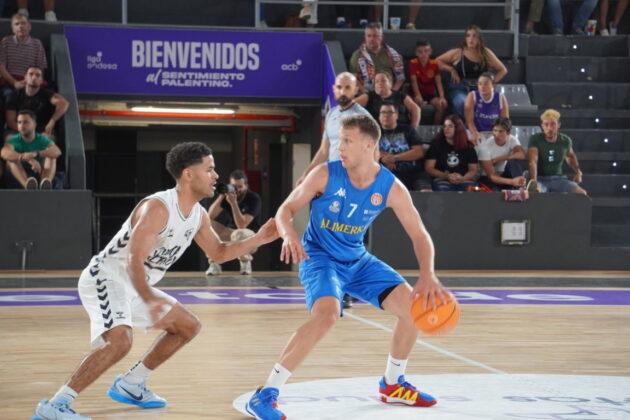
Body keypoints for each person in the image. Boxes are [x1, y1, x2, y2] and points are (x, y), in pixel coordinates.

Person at [30, 142, 278, 420]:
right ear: (188, 174)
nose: (215, 176)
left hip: (136, 284)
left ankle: (131, 384)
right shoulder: (158, 207)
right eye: (209, 169)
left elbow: (218, 252)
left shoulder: (197, 215)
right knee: (120, 342)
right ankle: (56, 405)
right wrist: (149, 299)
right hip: (108, 275)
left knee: (187, 325)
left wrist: (261, 238)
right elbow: (133, 260)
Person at [245, 114, 452, 420]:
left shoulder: (390, 186)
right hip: (320, 257)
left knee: (413, 308)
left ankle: (393, 384)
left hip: (357, 259)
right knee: (327, 316)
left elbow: (420, 234)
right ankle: (265, 393)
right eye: (340, 140)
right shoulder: (324, 174)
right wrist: (288, 233)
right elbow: (285, 209)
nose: (339, 147)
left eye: (347, 141)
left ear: (370, 145)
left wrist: (428, 274)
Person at [296, 72, 371, 186]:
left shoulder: (362, 116)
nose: (343, 92)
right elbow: (324, 151)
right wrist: (306, 175)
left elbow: (372, 151)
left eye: (347, 88)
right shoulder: (331, 114)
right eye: (339, 87)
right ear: (334, 88)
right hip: (334, 179)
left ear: (355, 90)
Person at [436, 25, 507, 119]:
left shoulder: (485, 52)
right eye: (468, 35)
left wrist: (490, 82)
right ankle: (468, 129)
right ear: (465, 38)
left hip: (480, 89)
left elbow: (503, 70)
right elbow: (436, 61)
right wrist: (451, 69)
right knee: (463, 103)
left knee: (484, 105)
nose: (471, 39)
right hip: (459, 88)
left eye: (474, 36)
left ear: (479, 39)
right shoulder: (458, 52)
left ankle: (478, 129)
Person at [206, 169, 262, 276]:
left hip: (250, 236)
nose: (237, 190)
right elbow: (209, 216)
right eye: (234, 186)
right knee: (207, 225)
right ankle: (214, 263)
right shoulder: (228, 196)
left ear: (246, 186)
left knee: (238, 233)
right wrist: (222, 196)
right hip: (230, 233)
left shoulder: (253, 198)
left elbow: (242, 225)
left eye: (240, 186)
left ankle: (245, 262)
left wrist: (233, 204)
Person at [527, 109, 587, 194]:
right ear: (542, 126)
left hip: (559, 179)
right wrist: (534, 182)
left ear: (558, 125)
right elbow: (533, 162)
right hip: (540, 179)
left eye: (553, 124)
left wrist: (578, 172)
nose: (549, 128)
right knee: (536, 194)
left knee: (581, 194)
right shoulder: (535, 139)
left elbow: (570, 157)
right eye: (546, 124)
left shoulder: (565, 140)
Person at [5, 66, 68, 140]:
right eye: (31, 74)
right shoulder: (14, 95)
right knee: (10, 138)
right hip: (18, 129)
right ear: (25, 77)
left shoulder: (47, 94)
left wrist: (52, 121)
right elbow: (10, 121)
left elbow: (64, 103)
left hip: (41, 130)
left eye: (38, 75)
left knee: (47, 139)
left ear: (41, 80)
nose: (34, 77)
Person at [1, 109, 60, 189]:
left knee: (52, 157)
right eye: (19, 122)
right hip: (18, 175)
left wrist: (36, 153)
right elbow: (4, 152)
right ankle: (28, 186)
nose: (22, 125)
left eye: (26, 122)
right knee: (11, 161)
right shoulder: (13, 140)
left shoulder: (42, 139)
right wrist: (25, 158)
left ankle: (45, 183)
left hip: (39, 171)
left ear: (34, 124)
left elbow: (57, 151)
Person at [378, 103, 431, 191]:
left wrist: (394, 158)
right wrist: (383, 158)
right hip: (387, 173)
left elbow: (419, 152)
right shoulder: (374, 133)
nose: (386, 115)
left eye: (390, 112)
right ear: (379, 115)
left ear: (397, 115)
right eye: (383, 112)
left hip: (414, 173)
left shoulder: (408, 130)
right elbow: (368, 151)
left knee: (426, 192)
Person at [424, 115, 479, 191]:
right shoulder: (436, 145)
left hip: (463, 179)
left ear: (458, 128)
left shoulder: (468, 147)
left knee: (470, 190)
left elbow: (473, 170)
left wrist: (463, 178)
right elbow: (429, 168)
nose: (446, 129)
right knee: (443, 189)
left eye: (450, 126)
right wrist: (446, 176)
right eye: (445, 126)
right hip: (442, 178)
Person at [349, 23, 405, 93]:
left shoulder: (392, 54)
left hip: (389, 91)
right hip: (366, 92)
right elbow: (353, 78)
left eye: (375, 36)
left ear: (381, 37)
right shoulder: (357, 54)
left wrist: (393, 93)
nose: (372, 39)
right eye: (369, 36)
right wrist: (365, 92)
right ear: (365, 37)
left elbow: (400, 79)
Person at [0, 13, 47, 93]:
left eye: (23, 23)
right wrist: (15, 83)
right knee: (8, 95)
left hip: (30, 81)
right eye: (16, 24)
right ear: (13, 29)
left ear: (29, 26)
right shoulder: (5, 42)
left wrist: (30, 82)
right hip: (9, 81)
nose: (20, 26)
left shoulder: (37, 43)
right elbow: (1, 67)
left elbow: (41, 67)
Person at [355, 71, 420, 128]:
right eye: (377, 82)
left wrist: (413, 128)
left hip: (401, 131)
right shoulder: (368, 96)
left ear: (390, 83)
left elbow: (416, 109)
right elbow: (349, 106)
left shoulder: (401, 95)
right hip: (377, 134)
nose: (379, 83)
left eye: (383, 81)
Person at [477, 117, 526, 191]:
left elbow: (521, 154)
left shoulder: (512, 139)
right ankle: (516, 185)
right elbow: (491, 176)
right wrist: (512, 182)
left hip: (503, 174)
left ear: (508, 133)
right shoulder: (485, 147)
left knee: (513, 161)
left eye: (501, 131)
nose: (497, 134)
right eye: (495, 130)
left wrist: (500, 158)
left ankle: (520, 186)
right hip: (487, 178)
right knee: (497, 193)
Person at [408, 39, 448, 125]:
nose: (423, 54)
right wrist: (418, 95)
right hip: (417, 93)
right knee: (416, 103)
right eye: (420, 52)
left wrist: (442, 96)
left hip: (430, 94)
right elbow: (413, 81)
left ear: (430, 52)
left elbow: (438, 82)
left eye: (426, 51)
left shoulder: (434, 63)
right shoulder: (413, 63)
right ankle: (415, 128)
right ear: (416, 53)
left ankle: (435, 128)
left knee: (442, 105)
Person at [464, 72, 509, 146]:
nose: (482, 86)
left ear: (493, 86)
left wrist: (498, 134)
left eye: (486, 84)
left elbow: (505, 121)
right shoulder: (472, 96)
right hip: (474, 131)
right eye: (480, 84)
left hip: (493, 132)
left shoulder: (500, 97)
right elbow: (469, 121)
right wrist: (475, 133)